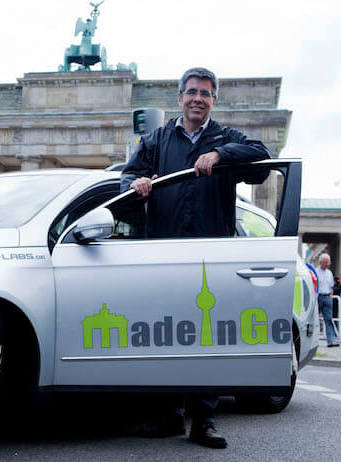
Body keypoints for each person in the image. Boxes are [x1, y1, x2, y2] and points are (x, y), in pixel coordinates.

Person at [120, 67, 272, 448]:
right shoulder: (156, 139)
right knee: (166, 334)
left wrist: (220, 155)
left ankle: (204, 420)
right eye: (191, 92)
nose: (197, 98)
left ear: (213, 100)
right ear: (180, 98)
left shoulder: (226, 138)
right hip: (165, 253)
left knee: (206, 338)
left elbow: (262, 157)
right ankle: (168, 415)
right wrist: (137, 185)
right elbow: (128, 177)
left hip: (211, 254)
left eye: (205, 93)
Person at [316, 254, 340, 347]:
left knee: (329, 319)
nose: (328, 264)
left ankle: (331, 341)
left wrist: (330, 295)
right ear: (320, 262)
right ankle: (313, 342)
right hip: (318, 297)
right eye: (326, 262)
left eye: (328, 262)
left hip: (327, 298)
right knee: (314, 320)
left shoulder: (329, 273)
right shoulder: (315, 272)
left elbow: (331, 286)